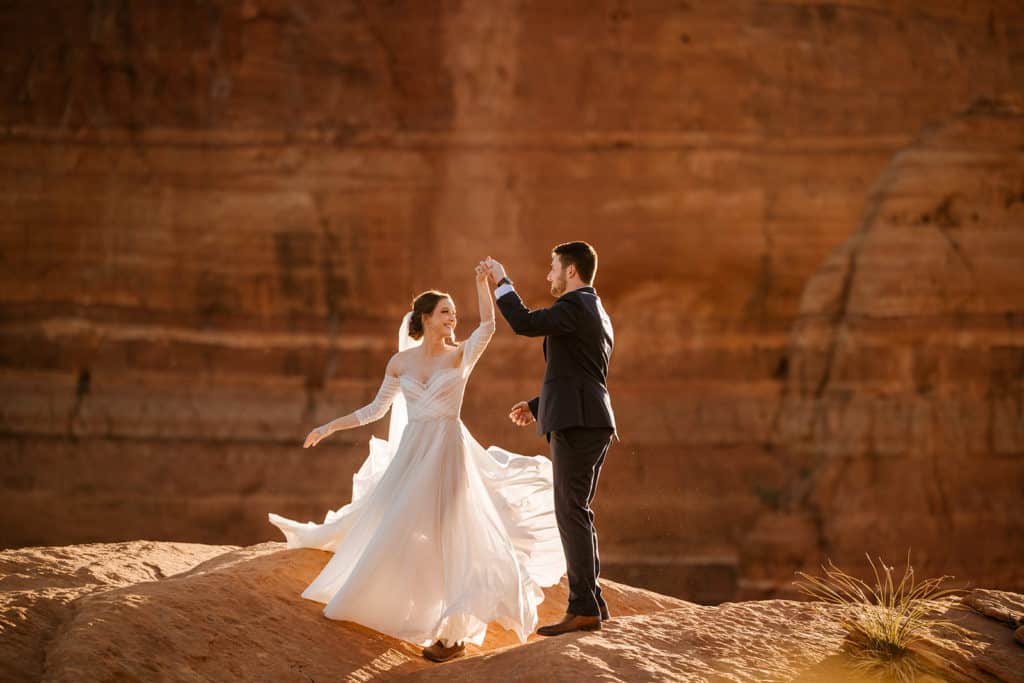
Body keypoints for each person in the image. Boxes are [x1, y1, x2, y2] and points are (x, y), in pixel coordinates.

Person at [268, 264, 566, 663]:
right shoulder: (400, 363)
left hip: (447, 452)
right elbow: (376, 410)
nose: (453, 317)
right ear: (424, 318)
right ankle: (407, 608)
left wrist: (482, 285)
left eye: (454, 312)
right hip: (413, 453)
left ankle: (453, 634)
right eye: (445, 311)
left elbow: (489, 328)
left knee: (450, 533)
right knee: (397, 525)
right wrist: (329, 426)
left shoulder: (461, 356)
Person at [482, 241, 616, 637]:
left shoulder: (574, 307)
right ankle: (592, 602)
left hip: (578, 422)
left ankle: (583, 607)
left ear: (571, 271)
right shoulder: (595, 310)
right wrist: (540, 405)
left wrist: (502, 281)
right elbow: (581, 371)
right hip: (587, 417)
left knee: (570, 510)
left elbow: (524, 322)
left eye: (553, 268)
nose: (548, 276)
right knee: (578, 510)